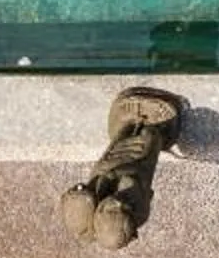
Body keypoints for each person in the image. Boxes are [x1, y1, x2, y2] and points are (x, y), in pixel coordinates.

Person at [59, 84, 189, 247]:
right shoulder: (138, 208)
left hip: (113, 163)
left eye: (110, 209)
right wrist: (110, 178)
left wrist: (83, 196)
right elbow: (129, 176)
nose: (119, 203)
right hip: (137, 159)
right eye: (123, 209)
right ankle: (154, 128)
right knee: (148, 141)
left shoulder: (99, 214)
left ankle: (126, 126)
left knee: (113, 154)